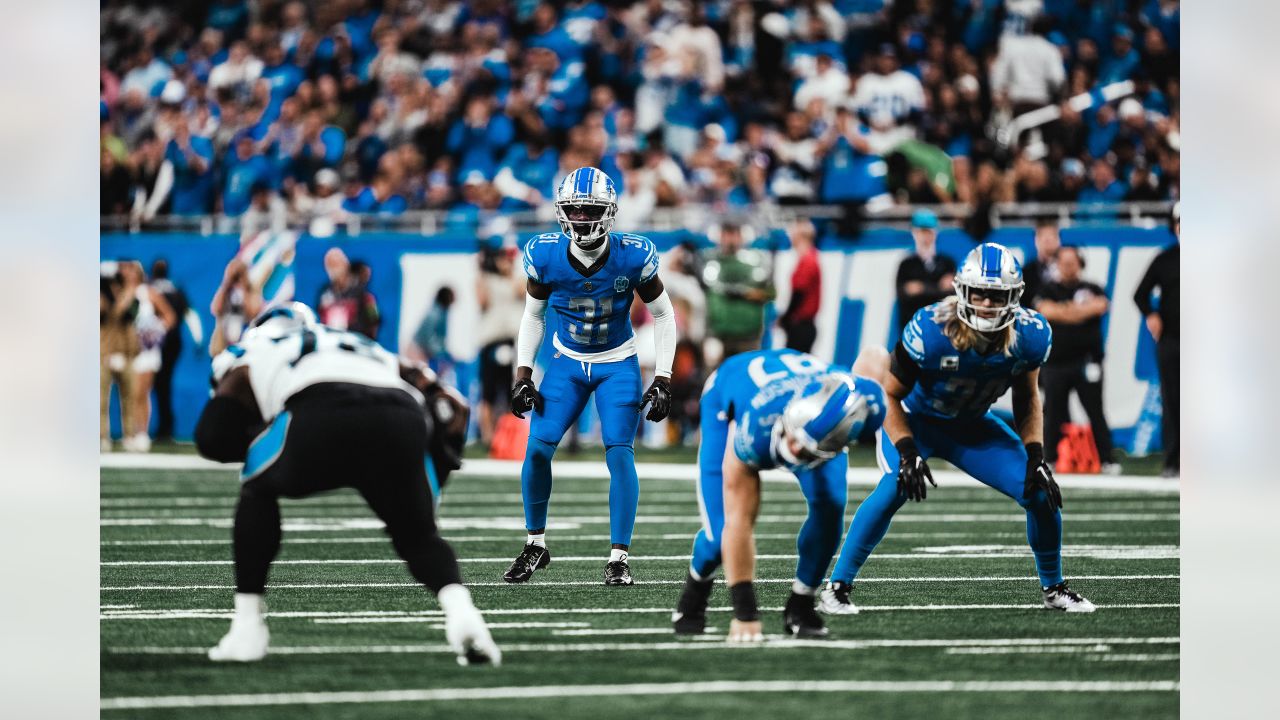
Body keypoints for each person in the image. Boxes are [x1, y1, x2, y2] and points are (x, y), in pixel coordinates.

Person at [196, 302, 500, 666]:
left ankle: (247, 628)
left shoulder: (251, 348)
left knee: (256, 486)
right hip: (401, 413)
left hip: (319, 411)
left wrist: (258, 434)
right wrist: (440, 457)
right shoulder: (353, 341)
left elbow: (212, 435)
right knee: (418, 536)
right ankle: (463, 614)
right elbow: (449, 400)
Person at [824, 243, 1097, 616]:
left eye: (996, 294)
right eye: (979, 293)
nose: (986, 303)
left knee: (1039, 493)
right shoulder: (931, 329)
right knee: (893, 488)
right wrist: (906, 450)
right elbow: (889, 395)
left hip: (972, 425)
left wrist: (1036, 455)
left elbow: (1028, 397)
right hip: (916, 420)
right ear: (963, 292)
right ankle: (836, 587)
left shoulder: (1030, 335)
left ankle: (1054, 588)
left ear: (1013, 296)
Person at [505, 166, 678, 586]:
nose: (581, 218)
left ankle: (618, 556)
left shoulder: (633, 254)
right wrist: (523, 374)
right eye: (575, 210)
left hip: (618, 362)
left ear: (609, 211)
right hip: (566, 362)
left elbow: (663, 314)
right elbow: (533, 315)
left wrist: (664, 377)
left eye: (590, 210)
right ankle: (535, 544)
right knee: (537, 451)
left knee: (619, 453)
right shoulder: (544, 254)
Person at [671, 348, 887, 641]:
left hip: (805, 398)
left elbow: (875, 355)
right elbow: (740, 518)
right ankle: (694, 593)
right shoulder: (756, 429)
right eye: (796, 439)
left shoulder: (858, 404)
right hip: (731, 395)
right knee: (719, 531)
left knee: (832, 504)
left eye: (808, 447)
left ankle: (801, 605)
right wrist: (744, 613)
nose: (795, 450)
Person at [1035, 246, 1118, 472]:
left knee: (1095, 410)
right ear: (1057, 264)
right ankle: (1049, 457)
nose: (1068, 267)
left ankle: (1107, 457)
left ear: (1080, 263)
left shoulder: (1092, 287)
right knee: (1052, 412)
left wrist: (1066, 311)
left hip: (1087, 361)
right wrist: (1080, 311)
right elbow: (1045, 310)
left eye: (1072, 262)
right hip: (1056, 362)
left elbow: (1101, 305)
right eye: (1064, 262)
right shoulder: (1048, 288)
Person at [1134, 202, 1179, 477]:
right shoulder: (1165, 259)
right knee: (1172, 402)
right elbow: (1140, 294)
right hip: (1172, 341)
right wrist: (1151, 314)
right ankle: (1173, 462)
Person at [120, 262, 177, 453]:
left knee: (141, 392)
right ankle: (130, 433)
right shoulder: (119, 292)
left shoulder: (148, 292)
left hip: (146, 350)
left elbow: (169, 316)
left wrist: (155, 333)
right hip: (125, 349)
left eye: (131, 270)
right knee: (128, 393)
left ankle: (142, 433)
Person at [702, 223, 775, 364]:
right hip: (719, 333)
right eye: (726, 234)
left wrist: (746, 293)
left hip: (748, 334)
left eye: (734, 234)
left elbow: (770, 293)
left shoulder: (757, 261)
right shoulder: (710, 261)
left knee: (747, 375)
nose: (730, 239)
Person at [475, 247, 525, 446]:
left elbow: (521, 291)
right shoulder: (487, 280)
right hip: (491, 340)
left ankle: (505, 435)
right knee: (488, 391)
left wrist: (512, 268)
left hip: (510, 340)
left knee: (508, 391)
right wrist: (481, 269)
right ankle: (487, 435)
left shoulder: (516, 279)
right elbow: (482, 302)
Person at [894, 209, 956, 332]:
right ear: (915, 234)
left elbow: (952, 297)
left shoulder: (947, 263)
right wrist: (938, 288)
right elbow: (903, 296)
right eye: (922, 232)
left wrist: (921, 288)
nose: (926, 237)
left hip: (942, 328)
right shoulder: (906, 265)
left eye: (929, 232)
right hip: (913, 329)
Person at [100, 263, 139, 452]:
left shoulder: (131, 297)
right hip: (104, 353)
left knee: (129, 398)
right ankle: (101, 436)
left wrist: (127, 292)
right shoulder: (101, 297)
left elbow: (129, 313)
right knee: (100, 399)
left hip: (126, 354)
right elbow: (112, 314)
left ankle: (129, 436)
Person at [150, 259, 189, 441]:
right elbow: (189, 315)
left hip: (157, 344)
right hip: (173, 343)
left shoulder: (150, 290)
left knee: (160, 385)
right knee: (162, 385)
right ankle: (164, 425)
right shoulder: (176, 289)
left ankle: (165, 427)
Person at [317, 248, 380, 340]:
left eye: (337, 264)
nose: (334, 269)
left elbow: (375, 319)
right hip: (332, 344)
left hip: (357, 344)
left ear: (345, 264)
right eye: (330, 265)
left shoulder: (361, 292)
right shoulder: (324, 293)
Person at [779, 220, 822, 353]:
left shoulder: (807, 260)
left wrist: (786, 317)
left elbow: (799, 291)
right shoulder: (811, 257)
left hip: (801, 324)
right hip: (803, 324)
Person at [1022, 218, 1062, 306]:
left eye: (1052, 235)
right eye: (1042, 236)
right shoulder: (1026, 273)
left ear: (1059, 239)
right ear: (1036, 240)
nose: (1048, 240)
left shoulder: (1070, 267)